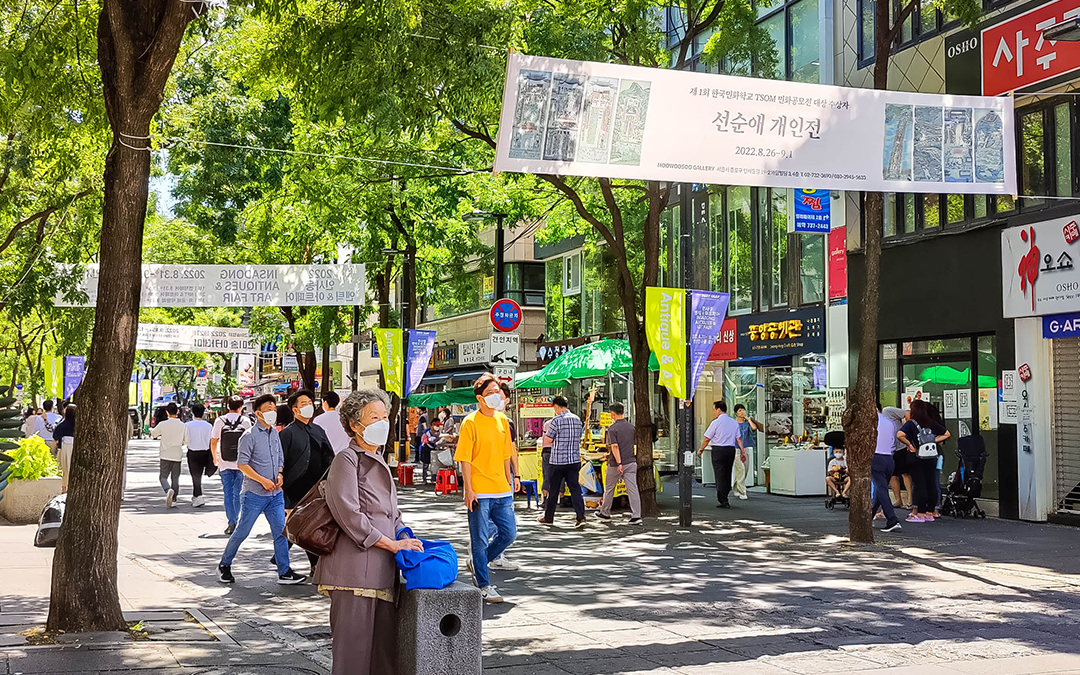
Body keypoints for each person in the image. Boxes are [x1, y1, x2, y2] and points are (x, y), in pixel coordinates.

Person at [315, 388, 423, 675]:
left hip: (382, 571)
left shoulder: (379, 460)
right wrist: (390, 544)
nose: (382, 423)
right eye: (373, 417)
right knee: (353, 656)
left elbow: (391, 513)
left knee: (382, 655)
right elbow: (349, 515)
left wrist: (404, 536)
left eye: (384, 416)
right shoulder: (346, 459)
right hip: (353, 572)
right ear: (354, 425)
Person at [217, 394, 306, 585]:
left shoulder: (274, 433)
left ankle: (284, 571)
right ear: (258, 413)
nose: (273, 412)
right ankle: (225, 564)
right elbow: (242, 464)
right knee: (242, 531)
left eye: (274, 408)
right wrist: (262, 480)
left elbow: (280, 457)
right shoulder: (249, 436)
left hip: (275, 494)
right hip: (254, 494)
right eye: (268, 409)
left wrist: (280, 474)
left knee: (280, 532)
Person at [455, 374, 518, 603]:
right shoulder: (470, 422)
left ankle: (477, 561)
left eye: (498, 390)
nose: (497, 395)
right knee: (479, 539)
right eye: (491, 392)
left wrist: (510, 480)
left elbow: (505, 455)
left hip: (501, 489)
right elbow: (465, 458)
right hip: (480, 490)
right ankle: (483, 584)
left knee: (509, 533)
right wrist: (468, 489)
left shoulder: (502, 420)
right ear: (480, 398)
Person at [280, 389, 335, 571]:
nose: (308, 407)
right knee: (303, 525)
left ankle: (313, 564)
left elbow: (329, 455)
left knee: (313, 525)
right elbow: (282, 461)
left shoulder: (318, 429)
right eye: (303, 404)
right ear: (294, 410)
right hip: (296, 487)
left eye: (310, 403)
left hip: (318, 486)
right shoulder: (288, 433)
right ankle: (312, 564)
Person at [897, 399, 950, 523]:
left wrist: (909, 445)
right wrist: (934, 441)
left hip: (916, 456)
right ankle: (930, 512)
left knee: (919, 483)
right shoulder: (931, 422)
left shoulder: (911, 424)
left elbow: (900, 435)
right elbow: (947, 434)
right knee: (931, 482)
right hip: (931, 456)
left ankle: (919, 514)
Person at [539, 395, 586, 528]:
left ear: (557, 407)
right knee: (575, 489)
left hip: (558, 461)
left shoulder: (556, 420)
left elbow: (548, 439)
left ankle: (548, 518)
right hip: (574, 460)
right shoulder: (577, 420)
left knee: (553, 489)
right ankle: (580, 516)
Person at [595, 403, 643, 525]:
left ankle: (605, 512)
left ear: (613, 414)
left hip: (616, 464)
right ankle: (636, 515)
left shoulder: (612, 429)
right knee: (633, 489)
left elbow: (615, 447)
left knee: (609, 488)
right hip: (631, 461)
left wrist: (619, 462)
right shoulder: (631, 427)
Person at [211, 395, 251, 535]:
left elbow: (214, 441)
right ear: (241, 407)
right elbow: (249, 442)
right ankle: (237, 521)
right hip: (241, 464)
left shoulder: (219, 421)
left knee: (228, 493)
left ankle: (231, 522)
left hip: (224, 462)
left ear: (228, 406)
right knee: (238, 492)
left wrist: (215, 457)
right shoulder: (245, 421)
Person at [698, 401, 740, 508]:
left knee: (719, 473)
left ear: (718, 409)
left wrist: (701, 449)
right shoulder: (734, 422)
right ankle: (725, 494)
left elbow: (707, 438)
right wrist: (742, 451)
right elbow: (738, 438)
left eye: (714, 409)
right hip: (730, 449)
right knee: (727, 472)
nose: (713, 412)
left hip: (718, 450)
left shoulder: (715, 423)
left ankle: (723, 498)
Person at [151, 402, 189, 508]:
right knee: (175, 478)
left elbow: (154, 433)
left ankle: (168, 490)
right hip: (177, 454)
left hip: (165, 454)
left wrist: (150, 430)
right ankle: (174, 499)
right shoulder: (183, 426)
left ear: (167, 412)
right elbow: (187, 441)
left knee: (163, 477)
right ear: (177, 411)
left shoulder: (163, 424)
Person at [873, 404, 902, 532]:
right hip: (889, 458)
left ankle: (892, 519)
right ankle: (869, 515)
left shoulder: (871, 422)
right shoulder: (890, 422)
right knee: (882, 488)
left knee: (881, 488)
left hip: (876, 456)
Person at [184, 404, 215, 508]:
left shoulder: (188, 425)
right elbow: (211, 441)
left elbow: (186, 439)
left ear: (192, 412)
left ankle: (198, 496)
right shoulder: (209, 426)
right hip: (205, 452)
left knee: (195, 476)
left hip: (193, 452)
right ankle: (196, 496)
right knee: (198, 475)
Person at [733, 404, 760, 501]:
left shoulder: (747, 423)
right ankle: (742, 492)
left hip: (745, 448)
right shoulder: (733, 423)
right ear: (736, 412)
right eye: (740, 410)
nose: (742, 412)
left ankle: (736, 487)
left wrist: (748, 419)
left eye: (743, 410)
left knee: (745, 469)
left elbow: (754, 428)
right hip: (735, 449)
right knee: (741, 470)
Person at [52, 405, 76, 492]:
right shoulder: (80, 425)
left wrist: (51, 450)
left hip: (64, 449)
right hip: (76, 449)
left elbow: (55, 437)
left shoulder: (62, 425)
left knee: (64, 469)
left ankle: (64, 489)